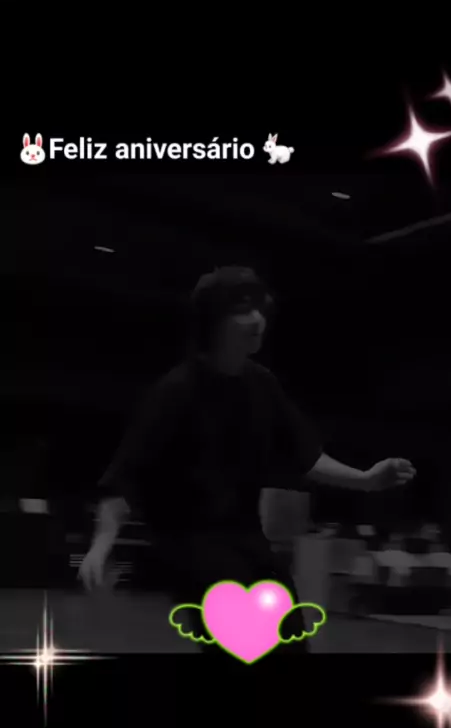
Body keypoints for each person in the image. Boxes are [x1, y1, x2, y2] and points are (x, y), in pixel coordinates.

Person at [78, 266, 416, 652]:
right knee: (239, 644)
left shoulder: (262, 385)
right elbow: (126, 476)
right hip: (192, 547)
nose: (257, 320)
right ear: (212, 322)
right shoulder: (175, 392)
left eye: (259, 309)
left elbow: (307, 456)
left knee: (291, 640)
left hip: (248, 540)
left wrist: (366, 479)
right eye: (241, 311)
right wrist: (102, 543)